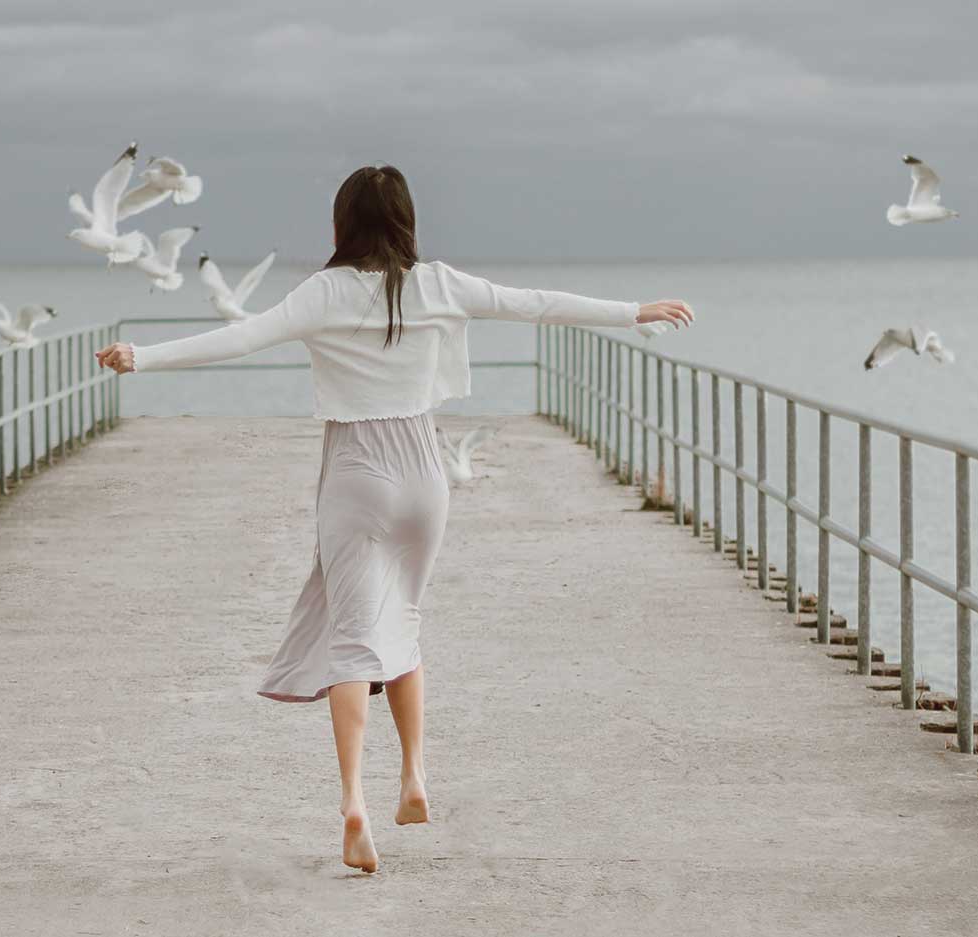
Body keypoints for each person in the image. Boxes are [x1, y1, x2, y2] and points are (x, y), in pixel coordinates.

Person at [96, 165, 694, 873]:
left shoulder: (324, 292)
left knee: (352, 642)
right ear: (407, 219)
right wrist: (635, 310)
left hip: (356, 471)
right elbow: (533, 302)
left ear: (342, 223)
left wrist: (143, 356)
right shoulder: (439, 284)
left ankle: (354, 802)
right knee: (403, 622)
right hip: (423, 472)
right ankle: (413, 776)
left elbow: (242, 337)